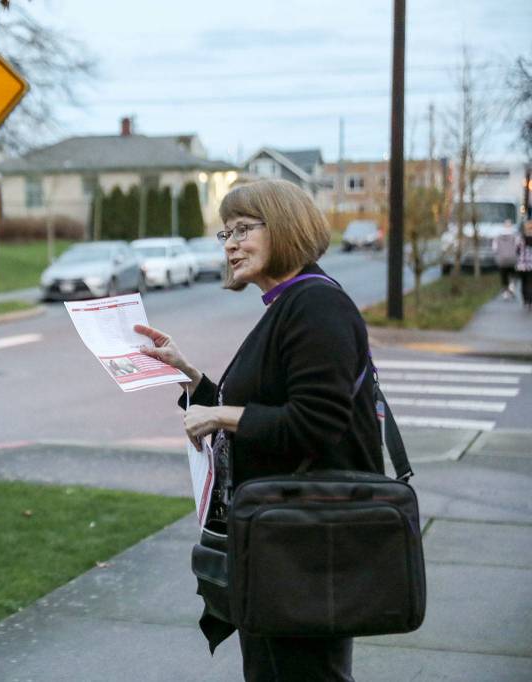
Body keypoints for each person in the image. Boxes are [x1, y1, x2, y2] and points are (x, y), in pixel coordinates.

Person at [135, 179, 382, 682]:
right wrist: (191, 375)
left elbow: (315, 424)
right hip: (281, 541)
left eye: (244, 228)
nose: (229, 243)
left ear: (285, 226)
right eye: (225, 232)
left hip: (308, 544)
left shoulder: (317, 306)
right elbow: (263, 410)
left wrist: (218, 416)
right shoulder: (287, 306)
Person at [492, 219, 519, 299]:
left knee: (503, 276)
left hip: (502, 260)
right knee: (513, 274)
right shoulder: (515, 235)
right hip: (513, 259)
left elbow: (494, 248)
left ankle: (505, 292)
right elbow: (518, 247)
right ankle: (512, 286)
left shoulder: (498, 237)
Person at [517, 216, 532, 311]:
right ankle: (530, 300)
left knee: (524, 282)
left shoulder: (520, 237)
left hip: (522, 265)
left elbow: (516, 249)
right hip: (530, 265)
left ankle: (526, 299)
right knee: (530, 282)